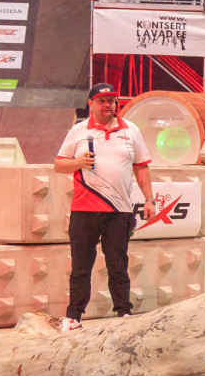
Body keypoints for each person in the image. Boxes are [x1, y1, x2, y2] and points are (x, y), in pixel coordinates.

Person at [52, 84, 153, 331]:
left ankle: (123, 313)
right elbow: (59, 165)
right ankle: (74, 317)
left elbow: (141, 168)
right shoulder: (78, 131)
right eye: (101, 100)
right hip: (84, 210)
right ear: (91, 103)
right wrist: (78, 162)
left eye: (111, 100)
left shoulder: (131, 130)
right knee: (80, 267)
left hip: (120, 211)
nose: (107, 105)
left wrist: (149, 200)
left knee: (118, 266)